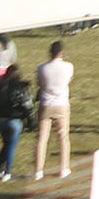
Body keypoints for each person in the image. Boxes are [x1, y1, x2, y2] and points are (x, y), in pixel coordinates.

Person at [0, 61, 33, 182]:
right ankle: (7, 173)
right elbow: (27, 106)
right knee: (11, 146)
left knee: (5, 145)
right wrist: (31, 122)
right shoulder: (22, 88)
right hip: (14, 122)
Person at [31, 42, 75, 179]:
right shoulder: (68, 66)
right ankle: (64, 168)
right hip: (62, 104)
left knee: (42, 138)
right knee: (63, 137)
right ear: (61, 53)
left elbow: (39, 83)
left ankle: (38, 170)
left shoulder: (41, 68)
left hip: (46, 104)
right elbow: (69, 80)